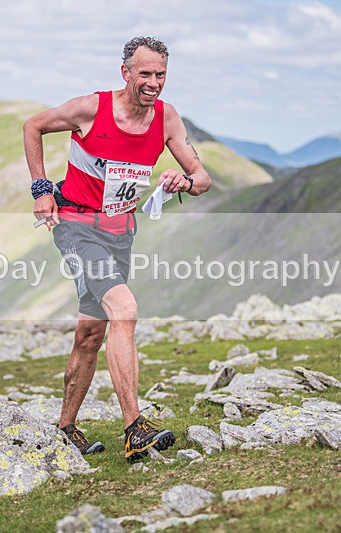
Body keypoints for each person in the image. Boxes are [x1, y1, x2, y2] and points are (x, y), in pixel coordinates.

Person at [23, 36, 211, 461]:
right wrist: (40, 189)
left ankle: (65, 427)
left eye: (160, 74)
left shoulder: (166, 119)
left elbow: (202, 177)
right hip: (75, 226)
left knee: (91, 333)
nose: (153, 82)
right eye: (144, 73)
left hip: (119, 233)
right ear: (125, 73)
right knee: (124, 309)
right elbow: (33, 125)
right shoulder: (92, 108)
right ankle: (134, 428)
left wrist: (184, 180)